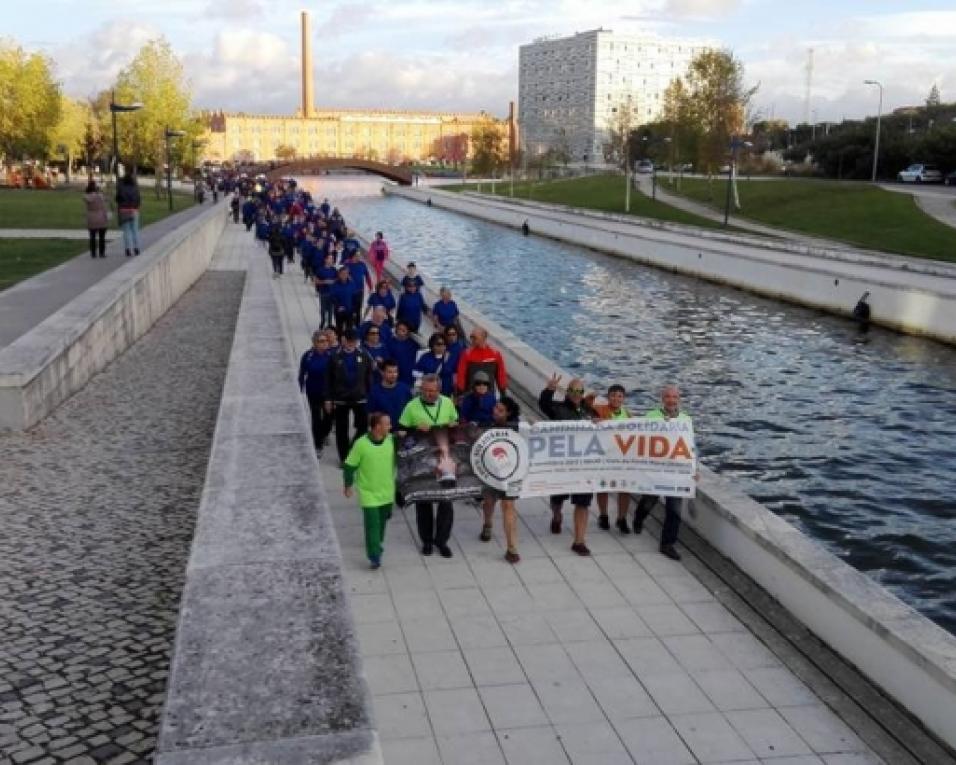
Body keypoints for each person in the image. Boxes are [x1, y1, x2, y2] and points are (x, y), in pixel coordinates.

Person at [398, 374, 459, 558]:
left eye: (432, 391)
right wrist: (415, 430)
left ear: (439, 390)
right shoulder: (411, 406)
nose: (428, 394)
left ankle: (442, 541)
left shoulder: (448, 402)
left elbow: (456, 423)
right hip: (422, 462)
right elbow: (401, 432)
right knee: (423, 502)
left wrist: (453, 424)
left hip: (444, 460)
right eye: (424, 390)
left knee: (446, 503)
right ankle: (426, 541)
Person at [633, 385, 695, 560]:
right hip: (656, 469)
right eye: (668, 397)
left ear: (679, 400)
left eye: (674, 397)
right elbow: (639, 438)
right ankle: (639, 518)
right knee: (649, 500)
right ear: (662, 399)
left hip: (676, 472)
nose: (671, 400)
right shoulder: (651, 417)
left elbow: (690, 448)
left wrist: (693, 469)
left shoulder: (685, 419)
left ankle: (667, 544)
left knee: (674, 509)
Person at [539, 373, 598, 556]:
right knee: (558, 497)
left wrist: (600, 424)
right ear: (567, 391)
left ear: (583, 393)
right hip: (562, 463)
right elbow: (544, 404)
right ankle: (557, 515)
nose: (576, 394)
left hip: (583, 465)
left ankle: (579, 541)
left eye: (579, 391)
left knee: (583, 503)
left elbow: (604, 428)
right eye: (572, 390)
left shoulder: (589, 412)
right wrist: (549, 390)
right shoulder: (557, 408)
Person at [343, 412, 396, 570]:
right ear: (377, 427)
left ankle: (377, 543)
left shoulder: (392, 441)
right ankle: (374, 555)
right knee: (372, 525)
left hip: (387, 492)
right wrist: (348, 485)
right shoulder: (361, 444)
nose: (390, 427)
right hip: (368, 493)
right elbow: (349, 466)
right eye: (387, 424)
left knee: (381, 524)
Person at [480, 396, 522, 563]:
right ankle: (488, 524)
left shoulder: (518, 427)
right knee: (489, 502)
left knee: (508, 505)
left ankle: (512, 548)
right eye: (495, 408)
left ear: (509, 413)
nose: (495, 411)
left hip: (510, 473)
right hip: (490, 471)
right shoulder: (486, 424)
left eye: (500, 410)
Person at [325, 329, 375, 464]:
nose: (352, 344)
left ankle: (353, 449)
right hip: (341, 398)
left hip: (360, 397)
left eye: (354, 341)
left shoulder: (364, 355)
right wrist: (328, 399)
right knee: (341, 429)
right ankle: (344, 458)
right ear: (343, 340)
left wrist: (370, 394)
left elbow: (369, 375)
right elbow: (329, 379)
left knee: (363, 426)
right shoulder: (335, 356)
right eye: (349, 341)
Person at [594, 384, 634, 533]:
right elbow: (586, 411)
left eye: (619, 396)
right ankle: (603, 515)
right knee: (602, 486)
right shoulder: (599, 410)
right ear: (608, 397)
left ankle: (621, 518)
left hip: (622, 457)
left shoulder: (628, 415)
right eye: (613, 395)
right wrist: (594, 421)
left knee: (624, 488)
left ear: (623, 398)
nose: (616, 398)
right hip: (605, 456)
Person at [298, 330, 333, 454]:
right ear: (315, 342)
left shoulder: (331, 356)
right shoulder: (308, 356)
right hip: (313, 390)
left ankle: (324, 433)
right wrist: (300, 387)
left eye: (326, 341)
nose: (324, 344)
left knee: (329, 418)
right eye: (321, 341)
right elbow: (302, 373)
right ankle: (317, 444)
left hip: (328, 392)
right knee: (316, 417)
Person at [456, 326, 508, 397]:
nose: (472, 339)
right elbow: (461, 375)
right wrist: (460, 393)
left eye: (474, 337)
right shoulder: (466, 354)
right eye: (471, 337)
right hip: (471, 394)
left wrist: (503, 393)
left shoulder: (495, 354)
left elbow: (501, 375)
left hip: (489, 394)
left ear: (483, 337)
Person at [368, 359, 413, 427]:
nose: (393, 375)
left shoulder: (405, 389)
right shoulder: (374, 391)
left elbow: (411, 410)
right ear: (382, 372)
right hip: (383, 432)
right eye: (390, 372)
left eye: (395, 372)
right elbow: (371, 413)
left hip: (403, 431)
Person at [115, 171, 142, 257]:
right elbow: (138, 199)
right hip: (133, 210)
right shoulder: (135, 188)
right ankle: (136, 248)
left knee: (126, 231)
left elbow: (117, 198)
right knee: (135, 230)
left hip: (124, 210)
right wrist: (136, 206)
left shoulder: (121, 187)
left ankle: (127, 249)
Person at [346, 249, 373, 326]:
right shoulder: (347, 264)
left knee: (358, 309)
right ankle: (349, 324)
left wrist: (370, 287)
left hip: (360, 291)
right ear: (353, 256)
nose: (359, 257)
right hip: (350, 291)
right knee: (350, 309)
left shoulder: (362, 264)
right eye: (357, 255)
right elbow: (343, 275)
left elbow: (367, 275)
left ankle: (357, 326)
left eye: (359, 255)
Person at [388, 321, 419, 386]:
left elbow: (426, 344)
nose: (400, 331)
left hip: (408, 376)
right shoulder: (390, 342)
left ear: (408, 331)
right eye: (399, 329)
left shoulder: (413, 343)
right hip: (394, 375)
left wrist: (412, 334)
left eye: (404, 330)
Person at [329, 266, 357, 336]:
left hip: (349, 311)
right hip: (339, 311)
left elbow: (354, 298)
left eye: (346, 273)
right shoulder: (334, 285)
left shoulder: (352, 284)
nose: (344, 275)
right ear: (339, 274)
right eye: (343, 273)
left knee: (349, 329)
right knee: (339, 329)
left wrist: (354, 310)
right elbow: (332, 297)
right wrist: (338, 306)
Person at [83, 180, 109, 258]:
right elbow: (105, 204)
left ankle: (93, 253)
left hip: (91, 217)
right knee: (102, 237)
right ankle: (102, 253)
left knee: (92, 237)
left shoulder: (86, 197)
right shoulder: (100, 196)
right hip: (101, 217)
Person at [314, 253, 338, 329]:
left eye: (332, 259)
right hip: (323, 292)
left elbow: (337, 280)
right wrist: (324, 282)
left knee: (331, 309)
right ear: (326, 260)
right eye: (330, 258)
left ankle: (329, 324)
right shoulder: (320, 269)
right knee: (323, 309)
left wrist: (334, 281)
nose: (331, 260)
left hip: (332, 293)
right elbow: (316, 281)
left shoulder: (334, 270)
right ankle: (323, 321)